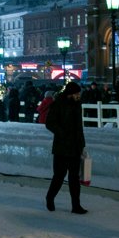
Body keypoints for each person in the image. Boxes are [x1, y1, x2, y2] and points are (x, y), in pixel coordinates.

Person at [44, 81, 87, 214]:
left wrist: (82, 143)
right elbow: (50, 123)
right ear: (70, 94)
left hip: (75, 147)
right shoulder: (58, 104)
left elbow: (79, 127)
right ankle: (50, 197)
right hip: (62, 148)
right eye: (77, 93)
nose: (78, 95)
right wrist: (63, 133)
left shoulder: (77, 105)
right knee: (59, 176)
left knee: (74, 178)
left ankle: (76, 205)